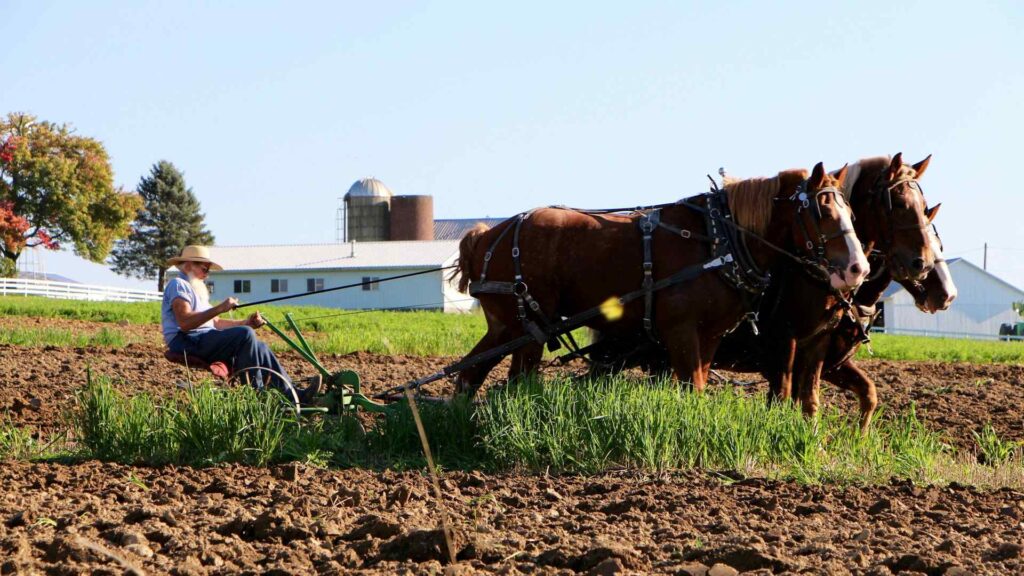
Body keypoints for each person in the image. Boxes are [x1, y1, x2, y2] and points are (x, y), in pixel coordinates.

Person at [161, 245, 319, 402]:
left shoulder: (195, 289)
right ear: (188, 265)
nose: (207, 275)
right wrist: (220, 308)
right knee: (245, 334)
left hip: (202, 338)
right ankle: (256, 394)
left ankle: (293, 396)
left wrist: (246, 322)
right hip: (185, 341)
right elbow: (185, 322)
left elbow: (215, 323)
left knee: (260, 346)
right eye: (204, 269)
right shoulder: (178, 284)